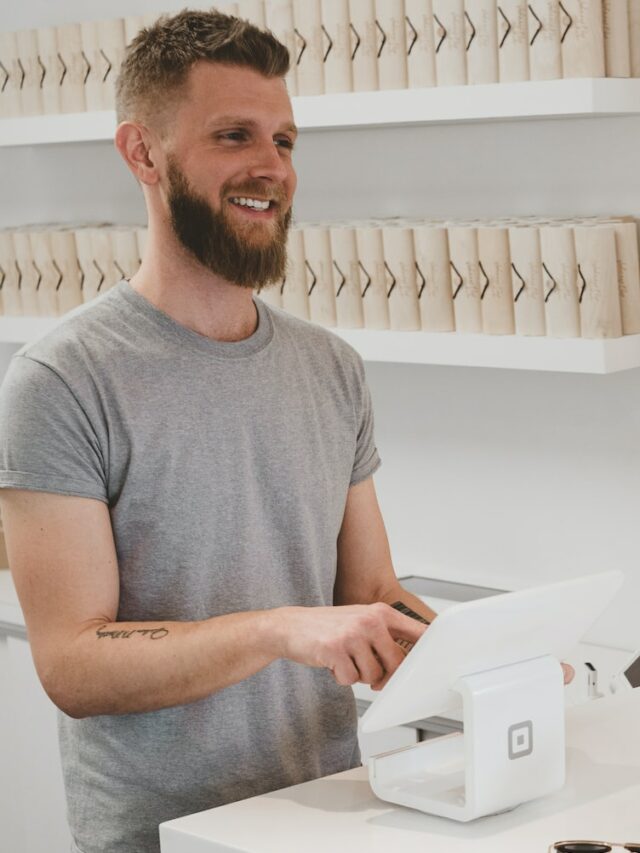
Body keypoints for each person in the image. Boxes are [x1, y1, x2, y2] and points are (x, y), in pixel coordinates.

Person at [0, 10, 436, 853]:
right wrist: (278, 627)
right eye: (234, 135)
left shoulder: (331, 366)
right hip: (165, 838)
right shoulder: (62, 379)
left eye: (284, 139)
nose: (271, 167)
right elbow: (74, 663)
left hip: (328, 814)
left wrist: (484, 649)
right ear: (143, 154)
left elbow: (369, 590)